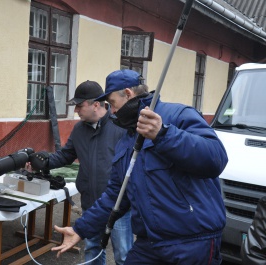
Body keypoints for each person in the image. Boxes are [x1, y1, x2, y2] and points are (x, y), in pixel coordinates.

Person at [50, 69, 229, 265]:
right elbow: (115, 194)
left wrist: (164, 135)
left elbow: (216, 158)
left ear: (128, 93)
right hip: (150, 242)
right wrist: (80, 229)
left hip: (191, 240)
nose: (112, 111)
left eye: (113, 103)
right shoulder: (127, 138)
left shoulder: (178, 115)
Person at [28, 80, 133, 265]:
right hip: (91, 203)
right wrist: (41, 163)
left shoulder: (121, 128)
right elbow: (66, 155)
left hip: (118, 206)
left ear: (96, 104)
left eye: (79, 105)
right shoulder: (79, 129)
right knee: (92, 249)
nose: (76, 110)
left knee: (124, 255)